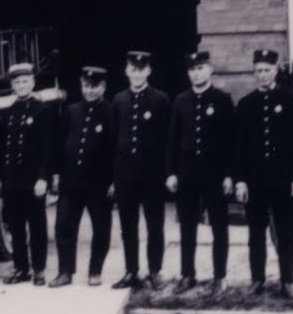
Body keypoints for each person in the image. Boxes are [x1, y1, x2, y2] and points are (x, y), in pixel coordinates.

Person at [234, 48, 293, 298]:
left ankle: (288, 281)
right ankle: (257, 279)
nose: (262, 75)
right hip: (255, 181)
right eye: (258, 71)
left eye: (267, 70)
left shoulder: (289, 101)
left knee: (285, 232)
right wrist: (240, 180)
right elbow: (239, 148)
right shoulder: (245, 105)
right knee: (256, 233)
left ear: (275, 70)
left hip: (283, 181)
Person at [165, 50, 235, 292]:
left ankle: (220, 276)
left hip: (214, 175)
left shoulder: (222, 100)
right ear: (188, 73)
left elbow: (230, 141)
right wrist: (171, 172)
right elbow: (172, 139)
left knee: (219, 226)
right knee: (187, 226)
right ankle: (187, 274)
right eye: (192, 70)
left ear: (210, 69)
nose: (196, 73)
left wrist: (229, 174)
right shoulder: (180, 101)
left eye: (201, 68)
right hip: (186, 174)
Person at [109, 49, 170, 291]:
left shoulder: (160, 100)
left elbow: (167, 139)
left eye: (141, 69)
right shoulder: (119, 100)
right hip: (125, 176)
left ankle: (154, 271)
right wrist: (114, 176)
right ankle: (131, 271)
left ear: (149, 71)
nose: (137, 74)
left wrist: (165, 173)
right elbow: (114, 140)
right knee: (128, 226)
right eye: (133, 69)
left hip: (152, 176)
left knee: (155, 225)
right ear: (126, 71)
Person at [51, 66, 114, 287]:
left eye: (95, 86)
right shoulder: (71, 110)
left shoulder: (111, 111)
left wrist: (113, 180)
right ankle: (65, 272)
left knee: (101, 227)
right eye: (86, 86)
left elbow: (116, 148)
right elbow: (59, 144)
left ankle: (95, 271)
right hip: (71, 181)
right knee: (64, 226)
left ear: (103, 87)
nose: (90, 91)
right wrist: (57, 174)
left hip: (99, 182)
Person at [0, 61, 56, 286]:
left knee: (37, 225)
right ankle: (21, 268)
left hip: (33, 180)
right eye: (17, 82)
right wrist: (2, 177)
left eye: (25, 81)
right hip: (12, 180)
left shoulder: (42, 111)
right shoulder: (9, 112)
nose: (21, 85)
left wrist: (43, 178)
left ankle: (39, 269)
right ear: (12, 85)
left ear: (32, 82)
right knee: (16, 225)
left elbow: (46, 148)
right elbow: (4, 148)